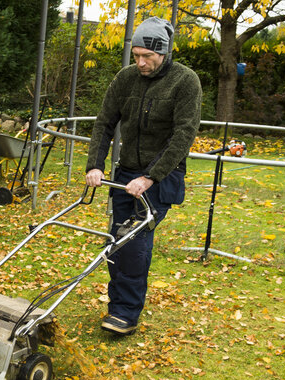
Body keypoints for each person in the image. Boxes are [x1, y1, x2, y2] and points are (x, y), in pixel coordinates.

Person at [85, 16, 202, 336]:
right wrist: (95, 165)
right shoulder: (126, 79)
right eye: (136, 56)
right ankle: (118, 306)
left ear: (163, 52)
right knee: (116, 240)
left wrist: (150, 177)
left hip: (162, 177)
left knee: (133, 241)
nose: (140, 62)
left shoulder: (185, 81)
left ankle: (125, 313)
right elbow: (104, 122)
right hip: (125, 174)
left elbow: (184, 134)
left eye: (147, 57)